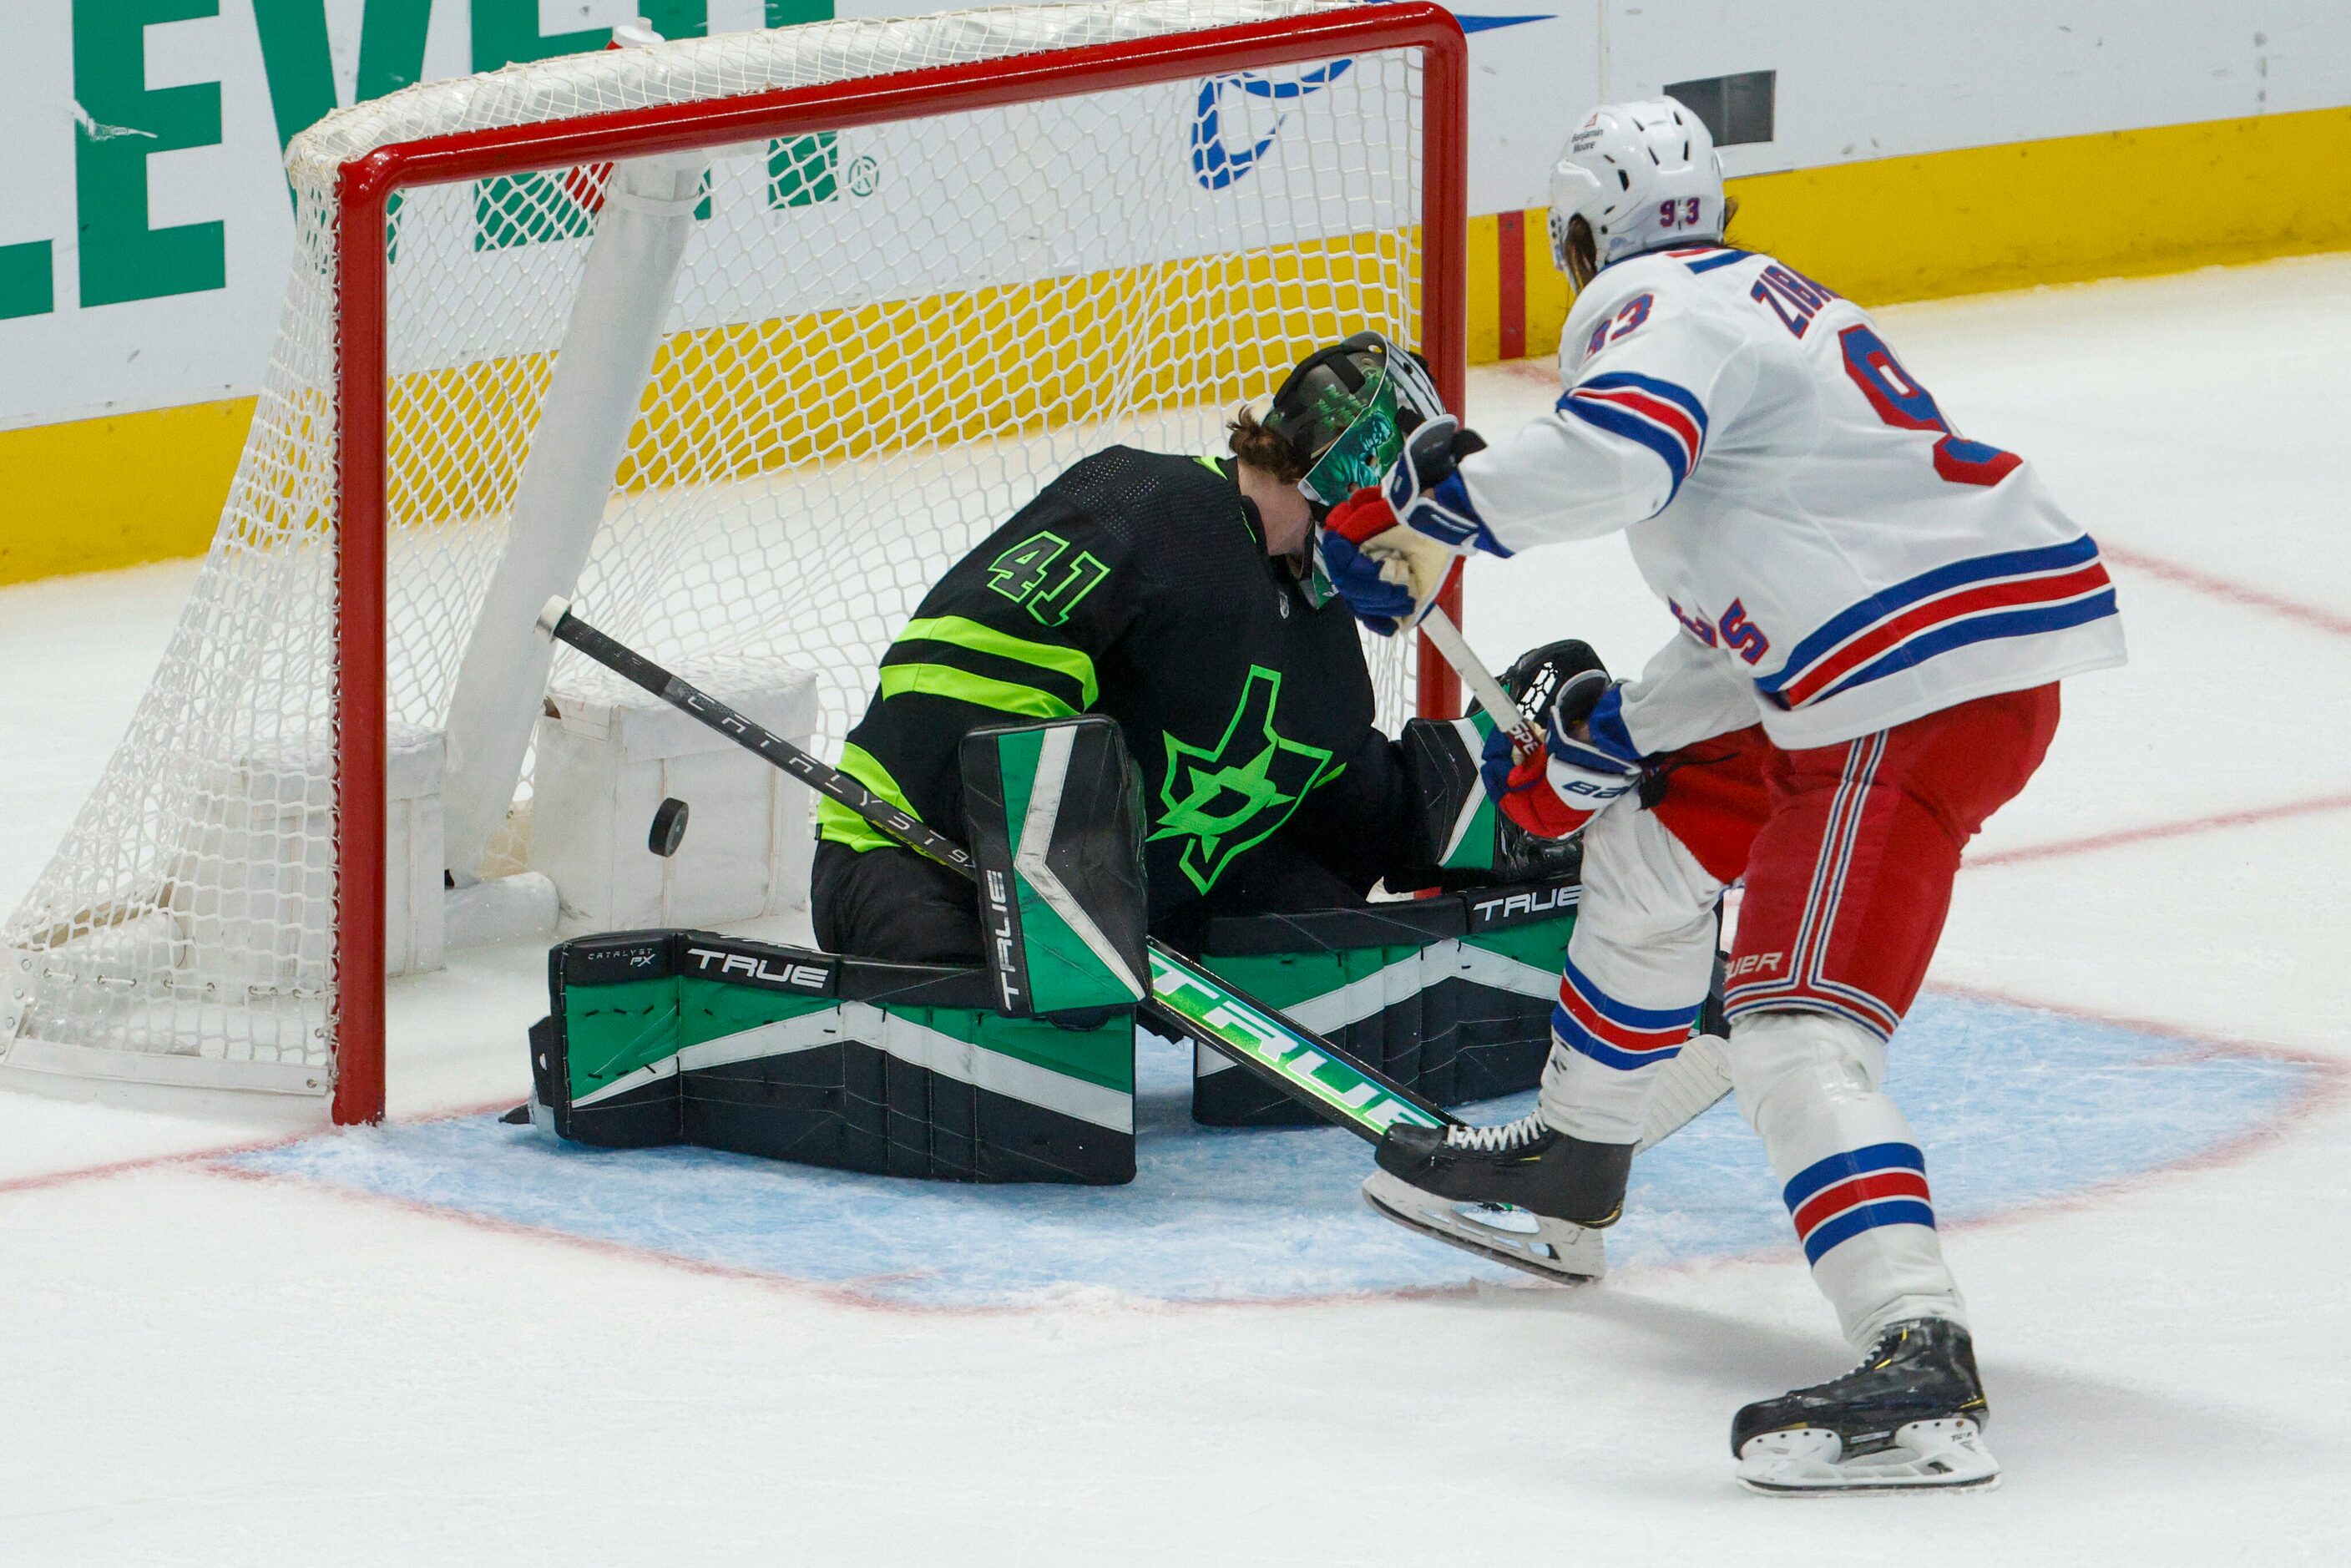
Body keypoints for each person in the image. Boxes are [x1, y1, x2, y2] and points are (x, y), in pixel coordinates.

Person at [1317, 99, 2126, 1493]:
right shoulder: (1759, 305)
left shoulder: (1653, 305)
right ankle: (1575, 1166)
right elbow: (1746, 614)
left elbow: (1621, 458)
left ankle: (1913, 1348)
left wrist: (1429, 504)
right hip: (1889, 652)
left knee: (1791, 1029)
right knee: (1646, 841)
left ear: (1577, 236)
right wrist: (1609, 735)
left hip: (1909, 688)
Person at [814, 331, 1486, 966]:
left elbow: (1327, 792)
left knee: (1336, 957)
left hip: (1129, 917)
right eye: (1408, 497)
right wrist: (1065, 853)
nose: (1414, 537)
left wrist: (1468, 791)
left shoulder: (1320, 638)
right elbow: (950, 675)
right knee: (1006, 1042)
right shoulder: (1144, 503)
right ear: (1355, 467)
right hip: (913, 857)